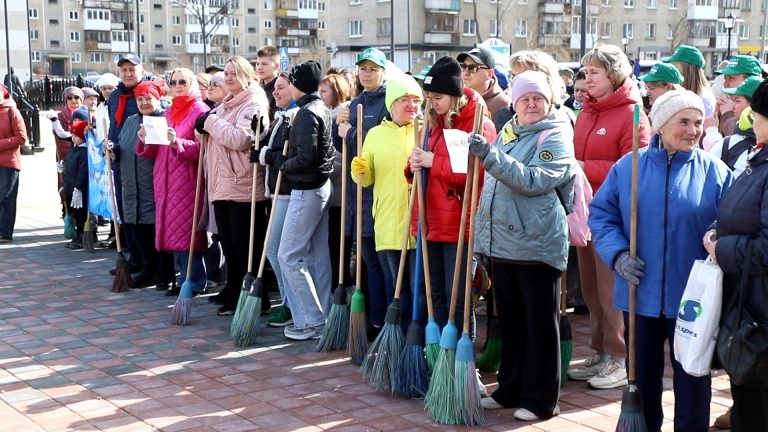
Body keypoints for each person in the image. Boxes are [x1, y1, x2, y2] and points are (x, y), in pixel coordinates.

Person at [590, 89, 733, 431]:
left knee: (693, 382)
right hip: (640, 295)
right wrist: (618, 253)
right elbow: (601, 215)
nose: (693, 130)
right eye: (683, 121)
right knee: (642, 381)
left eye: (698, 122)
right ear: (660, 125)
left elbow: (732, 221)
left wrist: (717, 233)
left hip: (694, 299)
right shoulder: (629, 167)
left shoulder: (715, 172)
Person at [469, 71, 575, 421]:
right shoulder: (510, 130)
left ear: (549, 102)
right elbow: (493, 191)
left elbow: (534, 181)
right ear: (514, 103)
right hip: (504, 244)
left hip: (536, 243)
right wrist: (484, 240)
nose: (531, 104)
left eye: (538, 98)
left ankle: (542, 399)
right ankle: (511, 388)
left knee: (539, 324)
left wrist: (490, 156)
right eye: (525, 98)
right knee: (510, 320)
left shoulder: (555, 134)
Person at [567, 43, 651, 390]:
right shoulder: (587, 110)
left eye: (594, 73)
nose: (587, 80)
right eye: (585, 73)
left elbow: (637, 166)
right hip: (584, 212)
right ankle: (601, 351)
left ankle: (619, 356)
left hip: (613, 217)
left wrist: (587, 168)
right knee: (590, 289)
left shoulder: (632, 112)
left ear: (614, 75)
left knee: (611, 290)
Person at [408, 55, 496, 335]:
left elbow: (477, 172)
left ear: (454, 95)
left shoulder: (477, 123)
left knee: (457, 296)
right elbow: (422, 163)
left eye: (438, 97)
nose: (432, 102)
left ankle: (461, 357)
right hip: (430, 218)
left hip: (459, 222)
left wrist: (434, 163)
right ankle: (438, 356)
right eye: (429, 96)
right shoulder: (433, 121)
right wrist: (413, 167)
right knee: (434, 294)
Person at [705, 77, 768, 432]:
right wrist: (718, 228)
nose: (752, 122)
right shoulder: (759, 158)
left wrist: (720, 248)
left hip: (761, 312)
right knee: (748, 403)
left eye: (757, 115)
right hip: (751, 305)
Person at [263, 61, 335, 340]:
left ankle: (311, 320)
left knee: (288, 255)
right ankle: (323, 315)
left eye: (290, 83)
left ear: (298, 85)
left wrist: (275, 158)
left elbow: (305, 159)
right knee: (317, 256)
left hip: (307, 189)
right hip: (318, 187)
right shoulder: (320, 109)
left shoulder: (307, 113)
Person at [195, 56, 270, 316]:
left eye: (234, 74)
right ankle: (234, 290)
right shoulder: (227, 104)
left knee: (244, 246)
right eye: (226, 73)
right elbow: (209, 131)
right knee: (228, 244)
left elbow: (241, 139)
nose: (228, 78)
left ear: (247, 76)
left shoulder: (254, 101)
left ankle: (253, 298)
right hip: (222, 183)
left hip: (243, 184)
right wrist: (204, 126)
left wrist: (210, 123)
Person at [351, 73, 422, 332]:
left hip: (418, 224)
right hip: (388, 223)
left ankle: (418, 340)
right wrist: (359, 170)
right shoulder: (375, 135)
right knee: (397, 286)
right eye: (405, 99)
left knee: (418, 289)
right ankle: (399, 340)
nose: (411, 105)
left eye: (416, 100)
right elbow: (365, 180)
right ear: (392, 103)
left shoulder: (424, 132)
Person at [136, 68, 210, 296]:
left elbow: (203, 149)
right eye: (174, 82)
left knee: (187, 233)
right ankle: (184, 277)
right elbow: (154, 150)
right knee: (174, 230)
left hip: (187, 179)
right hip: (165, 178)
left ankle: (195, 280)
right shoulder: (168, 112)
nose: (178, 85)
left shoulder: (201, 111)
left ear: (192, 84)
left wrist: (178, 143)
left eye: (183, 82)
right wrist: (145, 140)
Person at [337, 47, 392, 338]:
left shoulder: (388, 103)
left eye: (373, 68)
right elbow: (343, 149)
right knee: (367, 260)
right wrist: (340, 127)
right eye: (363, 68)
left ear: (383, 72)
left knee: (381, 262)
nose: (367, 73)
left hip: (379, 194)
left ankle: (384, 321)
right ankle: (372, 320)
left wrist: (351, 133)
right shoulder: (355, 102)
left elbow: (379, 146)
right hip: (356, 194)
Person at [113, 80, 166, 287]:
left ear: (157, 99)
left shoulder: (161, 119)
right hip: (130, 184)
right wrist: (113, 150)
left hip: (151, 183)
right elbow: (124, 147)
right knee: (136, 228)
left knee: (152, 228)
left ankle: (159, 271)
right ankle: (146, 267)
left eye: (148, 98)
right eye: (140, 99)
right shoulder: (131, 120)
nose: (144, 102)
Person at [257, 72, 298, 328]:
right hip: (277, 191)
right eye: (275, 89)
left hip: (289, 192)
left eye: (281, 88)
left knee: (278, 252)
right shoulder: (280, 116)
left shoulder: (294, 116)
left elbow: (291, 153)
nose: (276, 92)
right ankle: (288, 301)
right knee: (274, 252)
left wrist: (268, 155)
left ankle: (290, 304)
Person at [318, 73, 352, 297]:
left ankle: (341, 285)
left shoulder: (344, 114)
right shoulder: (323, 114)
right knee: (330, 244)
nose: (320, 96)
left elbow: (341, 156)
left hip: (340, 192)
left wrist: (322, 167)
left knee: (339, 244)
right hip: (329, 192)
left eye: (325, 91)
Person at [708, 76, 762, 177]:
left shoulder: (730, 143)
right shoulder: (728, 143)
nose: (732, 106)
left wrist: (711, 131)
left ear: (754, 105)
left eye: (737, 101)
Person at [457, 46, 512, 132]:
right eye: (463, 66)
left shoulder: (503, 104)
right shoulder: (457, 99)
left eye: (473, 68)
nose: (466, 72)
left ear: (489, 74)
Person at [0, 83, 27, 242]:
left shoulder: (12, 111)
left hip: (8, 162)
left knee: (5, 197)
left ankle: (5, 232)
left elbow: (22, 137)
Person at [661, 45, 716, 118]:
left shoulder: (704, 100)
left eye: (675, 66)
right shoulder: (682, 95)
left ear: (687, 69)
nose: (672, 71)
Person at [715, 55, 764, 136]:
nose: (725, 84)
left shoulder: (761, 110)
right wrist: (716, 114)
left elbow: (740, 138)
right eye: (725, 78)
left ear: (750, 80)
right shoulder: (725, 102)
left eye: (731, 78)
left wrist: (727, 114)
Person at [61, 120, 90, 249]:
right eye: (72, 135)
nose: (73, 138)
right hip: (69, 187)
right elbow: (70, 166)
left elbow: (82, 172)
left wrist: (78, 188)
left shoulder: (84, 152)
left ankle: (81, 235)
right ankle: (74, 235)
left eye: (76, 136)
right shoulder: (74, 150)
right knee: (70, 213)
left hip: (78, 189)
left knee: (80, 215)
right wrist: (63, 166)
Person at [256, 45, 280, 120]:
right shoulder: (255, 89)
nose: (259, 67)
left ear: (276, 66)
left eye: (264, 64)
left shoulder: (281, 89)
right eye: (257, 64)